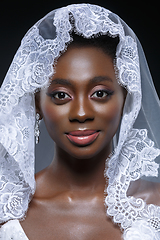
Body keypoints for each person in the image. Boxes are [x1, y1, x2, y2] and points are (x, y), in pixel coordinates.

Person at [0, 3, 160, 240]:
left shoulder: (155, 206)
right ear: (36, 103)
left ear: (127, 98)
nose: (82, 113)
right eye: (61, 95)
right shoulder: (6, 211)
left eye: (100, 93)